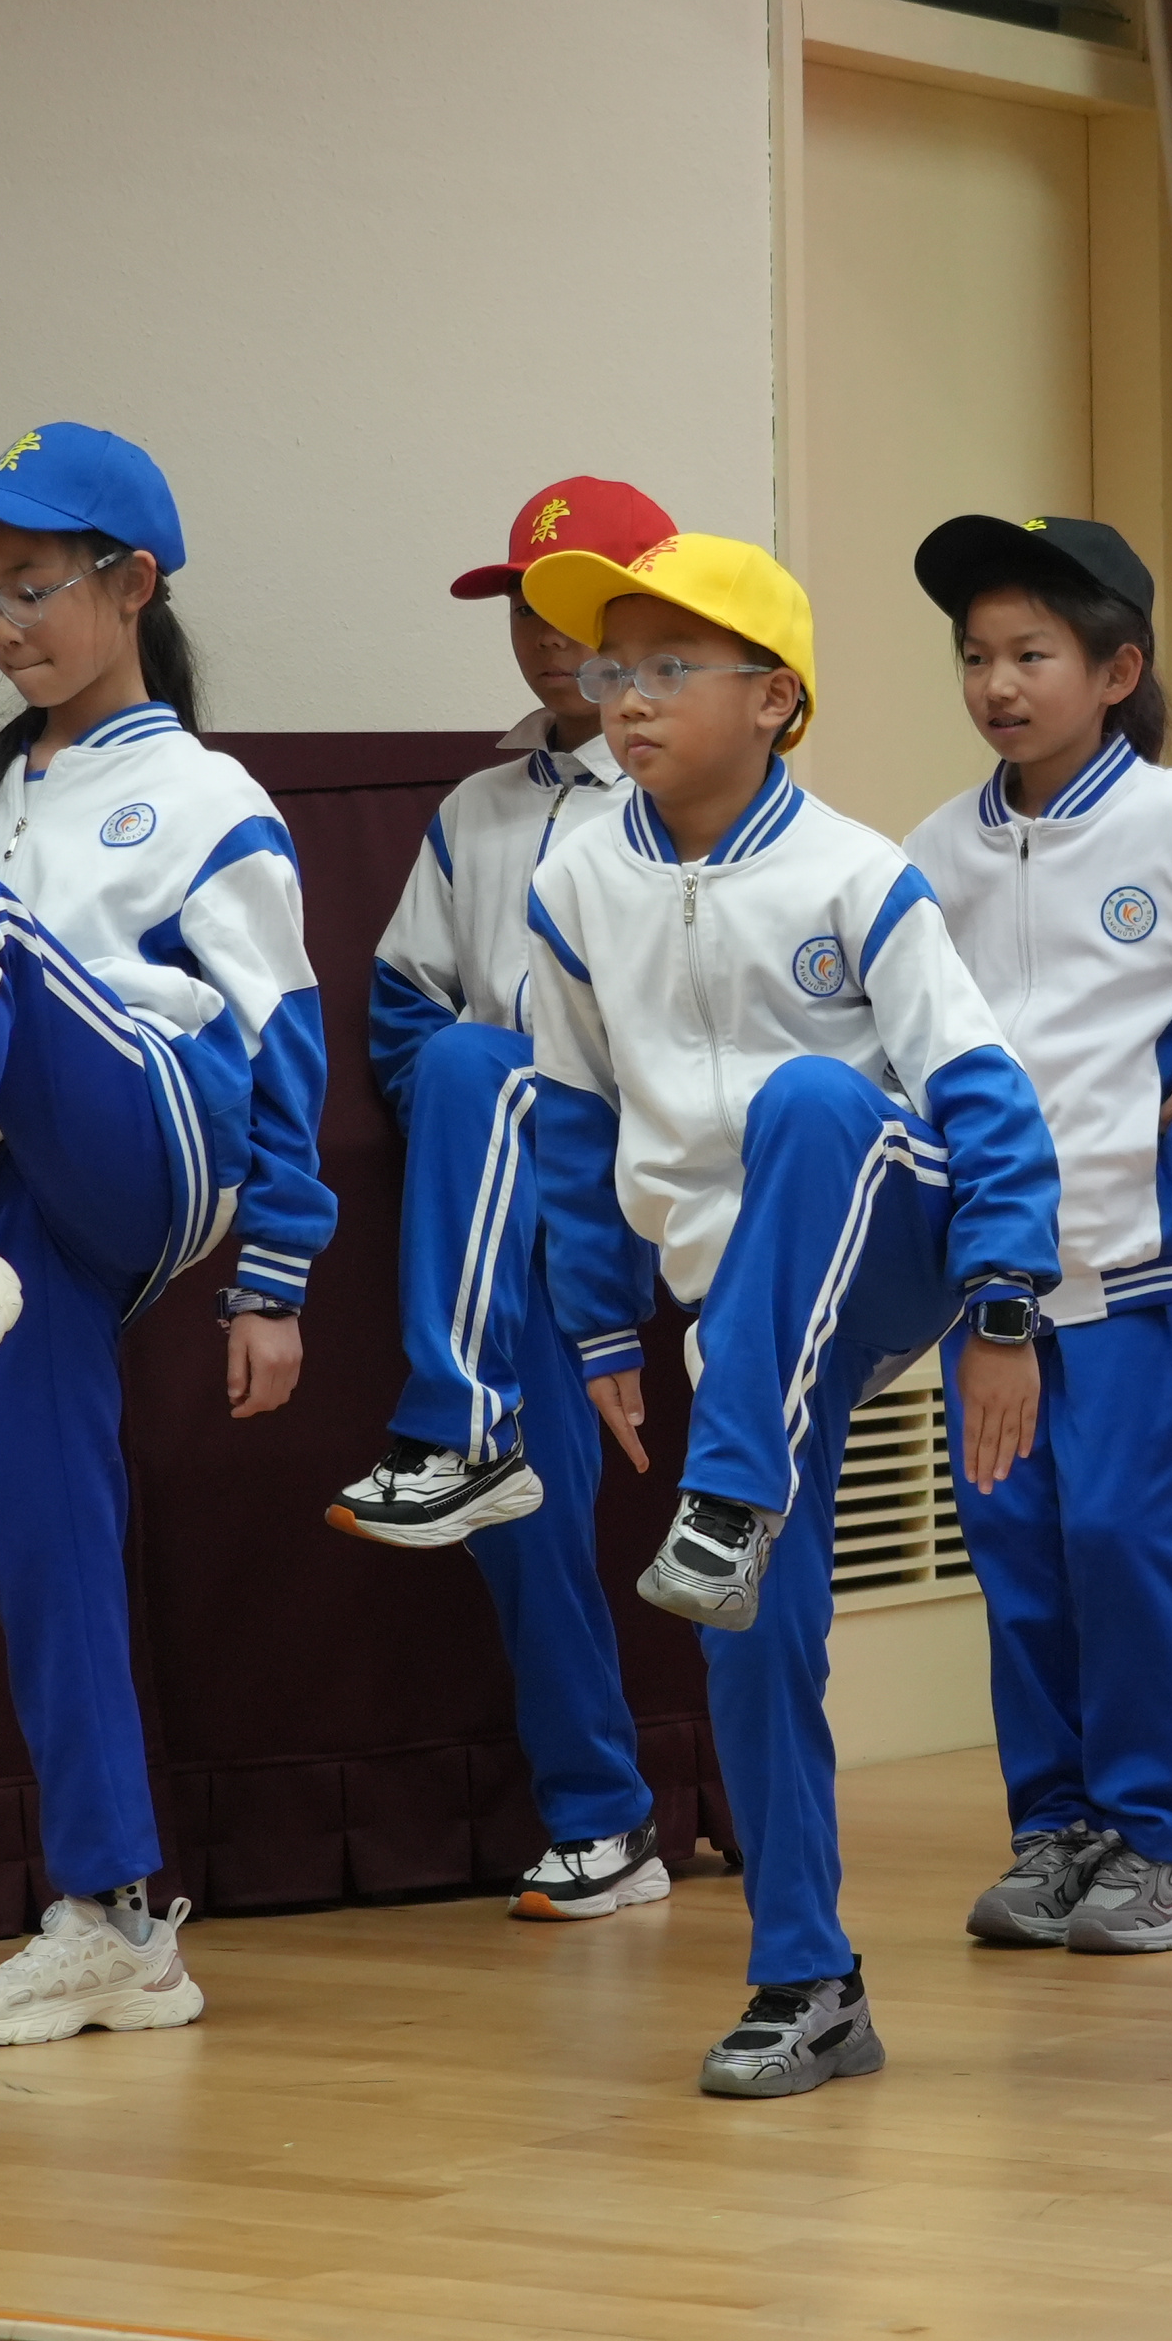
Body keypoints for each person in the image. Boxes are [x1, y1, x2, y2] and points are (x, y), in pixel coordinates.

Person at [512, 531, 1062, 2097]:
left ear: (775, 699)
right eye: (612, 670)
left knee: (812, 1103)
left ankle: (729, 1492)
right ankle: (807, 1980)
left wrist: (1003, 1311)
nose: (626, 697)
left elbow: (983, 1095)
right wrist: (601, 1330)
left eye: (669, 668)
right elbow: (571, 1118)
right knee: (753, 1638)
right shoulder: (576, 883)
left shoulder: (855, 874)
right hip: (739, 1313)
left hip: (893, 1231)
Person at [0, 422, 333, 2047]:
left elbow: (286, 1038)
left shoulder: (206, 795)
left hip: (169, 1127)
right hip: (30, 1190)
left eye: (33, 585)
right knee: (43, 1524)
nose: (4, 623)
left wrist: (277, 1276)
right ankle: (115, 1920)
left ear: (133, 583)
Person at [903, 513, 1172, 1953]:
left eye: (1032, 654)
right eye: (976, 657)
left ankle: (1163, 1840)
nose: (997, 685)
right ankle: (1056, 1831)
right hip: (987, 1284)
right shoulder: (932, 854)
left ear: (1116, 669)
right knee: (1018, 1559)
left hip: (1134, 1275)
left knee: (1117, 1541)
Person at [324, 474, 680, 1924]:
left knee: (490, 1060)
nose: (546, 636)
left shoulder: (683, 796)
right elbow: (404, 1010)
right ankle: (604, 1821)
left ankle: (450, 1421)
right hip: (498, 1214)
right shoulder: (474, 810)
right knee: (530, 1522)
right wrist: (483, 1119)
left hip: (638, 1188)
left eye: (578, 608)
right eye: (526, 608)